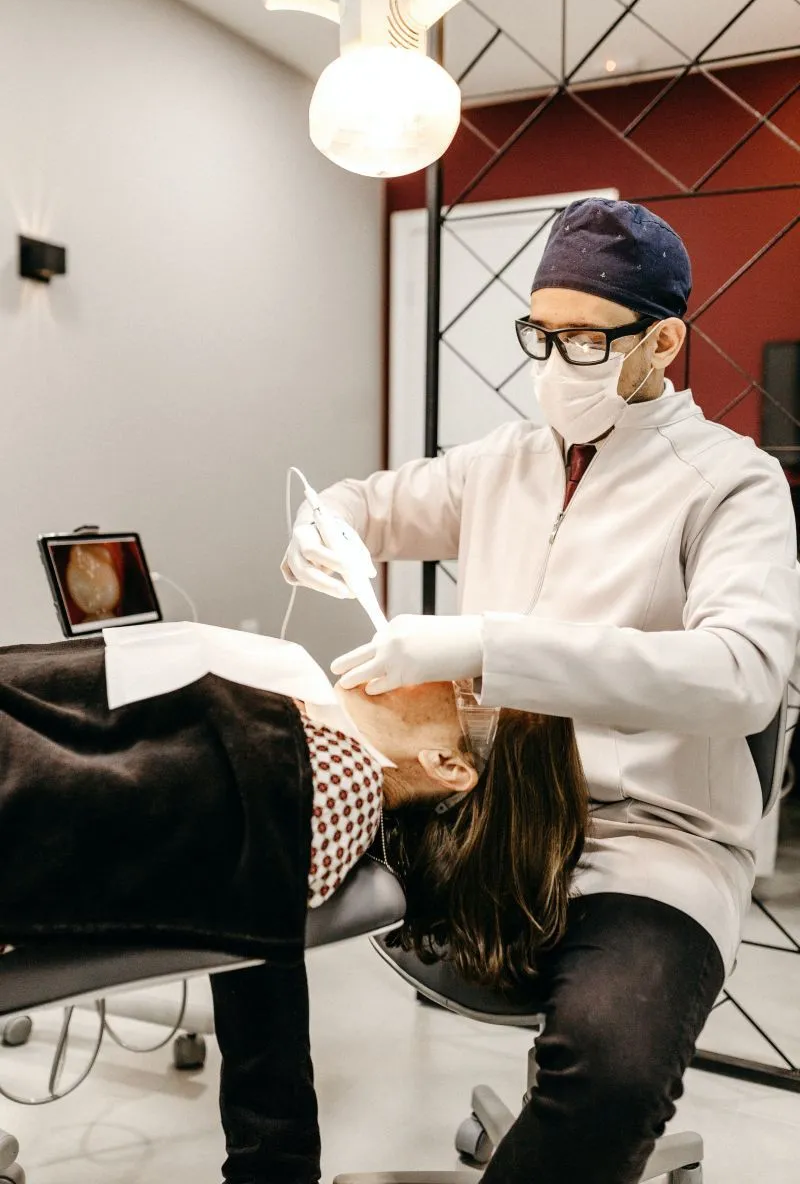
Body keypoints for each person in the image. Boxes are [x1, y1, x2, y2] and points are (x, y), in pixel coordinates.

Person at [283, 197, 800, 1184]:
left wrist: (486, 644)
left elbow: (739, 674)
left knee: (607, 1069)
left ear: (660, 341)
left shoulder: (730, 484)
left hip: (647, 844)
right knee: (246, 865)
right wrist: (330, 524)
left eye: (582, 339)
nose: (553, 359)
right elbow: (371, 505)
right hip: (480, 819)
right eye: (540, 331)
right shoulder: (504, 464)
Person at [0, 630, 586, 1181]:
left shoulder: (326, 782)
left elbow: (58, 796)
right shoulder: (304, 735)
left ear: (447, 765)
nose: (415, 658)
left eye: (455, 681)